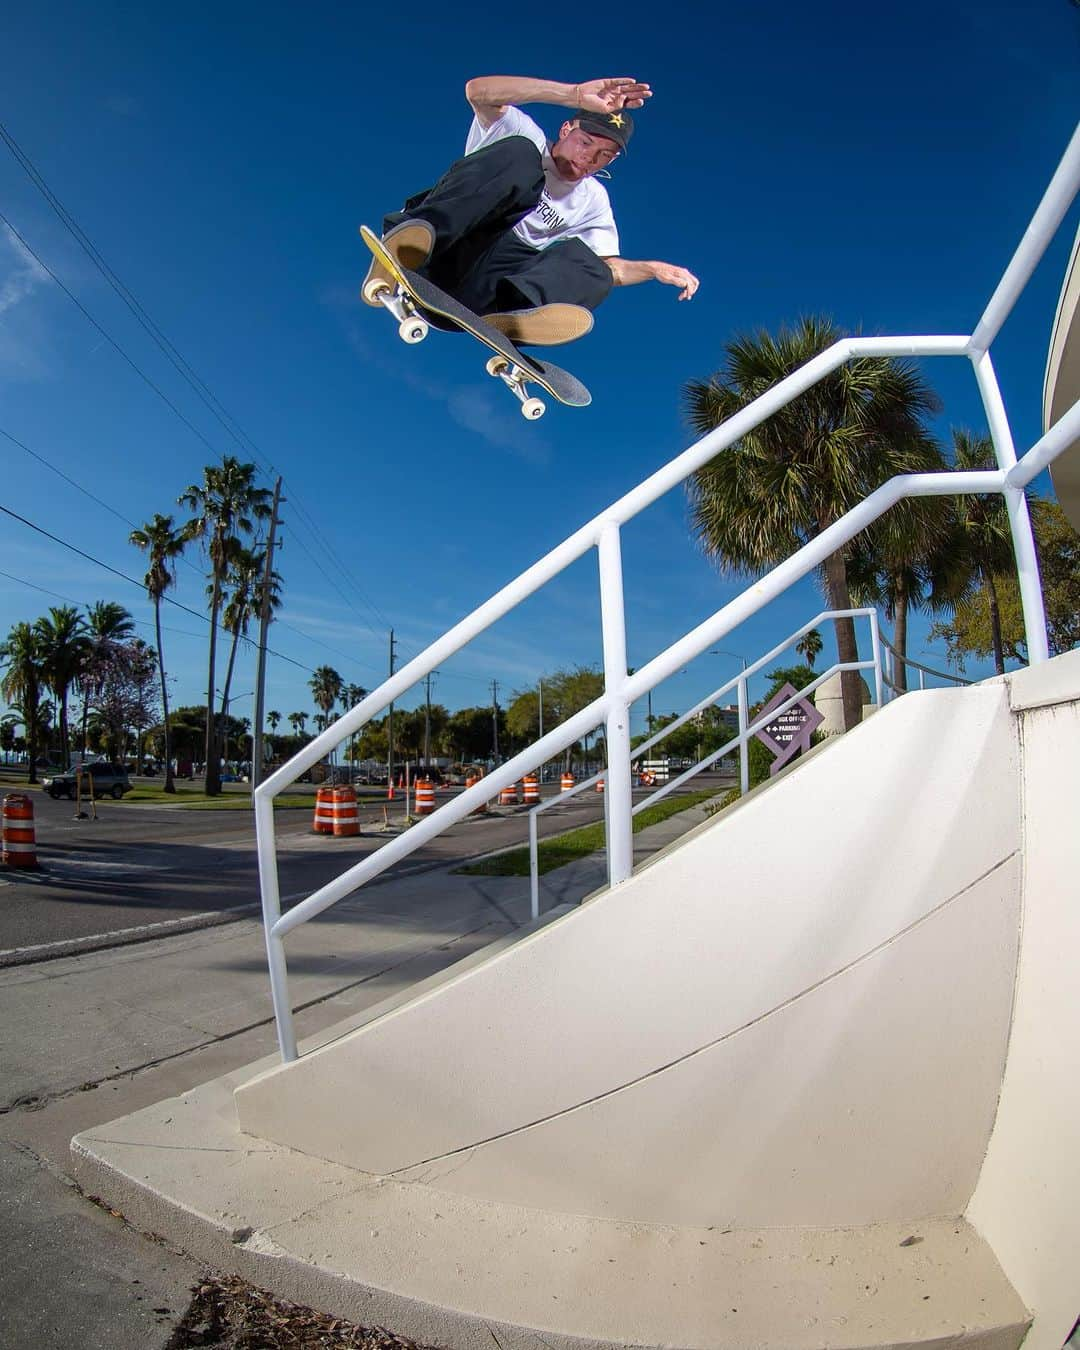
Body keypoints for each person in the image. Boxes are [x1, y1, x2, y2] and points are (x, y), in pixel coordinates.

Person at [370, 75, 700, 346]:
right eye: (586, 143)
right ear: (567, 129)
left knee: (595, 268)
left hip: (481, 297)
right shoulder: (522, 132)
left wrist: (652, 269)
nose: (589, 160)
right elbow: (478, 92)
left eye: (604, 156)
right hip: (441, 253)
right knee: (522, 156)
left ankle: (514, 317)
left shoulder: (592, 200)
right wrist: (571, 94)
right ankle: (410, 244)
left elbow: (611, 271)